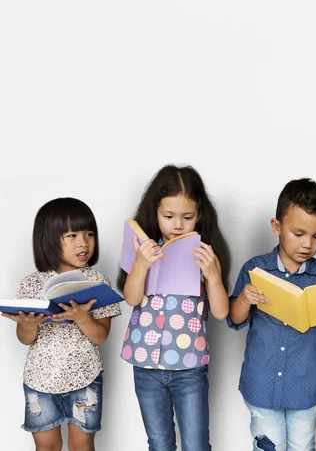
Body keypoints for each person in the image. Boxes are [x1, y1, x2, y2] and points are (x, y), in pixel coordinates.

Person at [227, 177, 316, 451]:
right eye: (298, 234)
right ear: (277, 227)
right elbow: (234, 319)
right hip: (261, 381)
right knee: (270, 446)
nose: (308, 244)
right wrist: (245, 298)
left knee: (303, 446)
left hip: (305, 385)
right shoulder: (256, 268)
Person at [116, 164, 230, 451]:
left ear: (199, 214)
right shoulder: (145, 249)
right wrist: (141, 265)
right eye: (168, 216)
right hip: (146, 364)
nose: (177, 225)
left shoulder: (205, 254)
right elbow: (131, 298)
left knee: (196, 444)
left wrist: (214, 276)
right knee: (159, 443)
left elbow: (220, 312)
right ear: (155, 211)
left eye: (187, 217)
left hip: (189, 366)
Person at [2, 197, 121, 451]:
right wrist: (29, 324)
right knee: (46, 445)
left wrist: (82, 318)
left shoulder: (97, 282)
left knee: (82, 444)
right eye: (72, 235)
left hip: (85, 378)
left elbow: (101, 336)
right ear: (49, 239)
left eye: (89, 234)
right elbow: (24, 338)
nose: (84, 242)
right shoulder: (32, 283)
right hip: (40, 381)